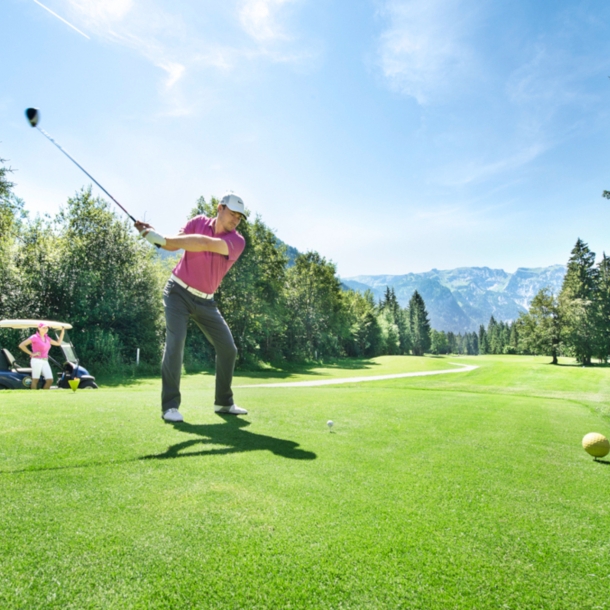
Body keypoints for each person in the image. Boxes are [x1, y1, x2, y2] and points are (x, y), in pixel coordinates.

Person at [135, 193, 248, 423]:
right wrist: (153, 236)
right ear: (220, 208)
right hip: (178, 293)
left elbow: (205, 243)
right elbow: (174, 243)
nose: (236, 220)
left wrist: (162, 238)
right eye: (233, 214)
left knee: (228, 349)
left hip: (206, 301)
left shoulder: (237, 241)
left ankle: (223, 402)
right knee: (175, 345)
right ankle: (170, 406)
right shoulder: (197, 222)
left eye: (239, 217)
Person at [18, 323, 65, 390]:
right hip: (36, 360)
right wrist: (32, 353)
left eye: (47, 328)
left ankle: (43, 395)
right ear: (39, 328)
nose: (45, 329)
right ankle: (34, 396)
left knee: (50, 380)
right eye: (44, 328)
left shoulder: (47, 338)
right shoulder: (34, 337)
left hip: (45, 361)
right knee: (35, 380)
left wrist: (62, 332)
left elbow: (58, 343)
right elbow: (21, 345)